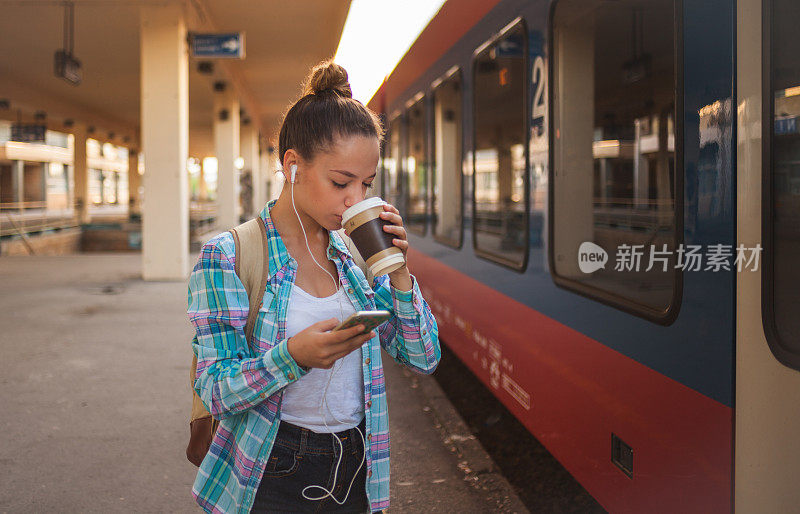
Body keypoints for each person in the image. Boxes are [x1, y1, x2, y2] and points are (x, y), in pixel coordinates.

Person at [187, 60, 440, 513]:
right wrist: (292, 358)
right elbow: (214, 388)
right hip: (270, 469)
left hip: (358, 465)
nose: (355, 200)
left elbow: (423, 358)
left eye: (366, 184)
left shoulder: (356, 255)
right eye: (341, 182)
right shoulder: (229, 256)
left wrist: (399, 270)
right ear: (293, 166)